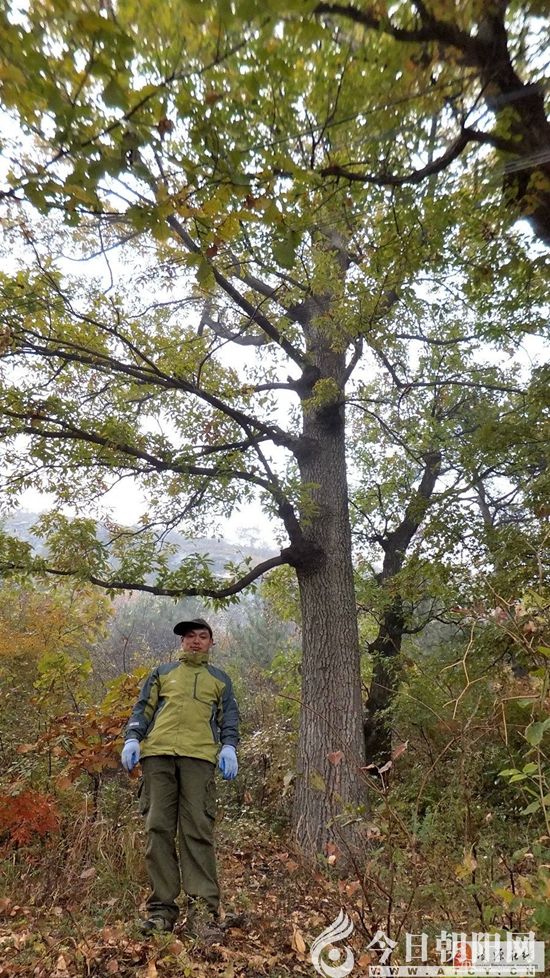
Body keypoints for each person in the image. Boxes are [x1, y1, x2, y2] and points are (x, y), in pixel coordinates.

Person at [121, 617, 239, 941]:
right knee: (157, 828)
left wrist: (229, 746)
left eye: (203, 636)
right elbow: (142, 709)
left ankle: (202, 915)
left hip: (199, 760)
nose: (196, 641)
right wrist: (133, 737)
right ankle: (161, 912)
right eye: (190, 636)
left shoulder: (220, 680)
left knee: (197, 831)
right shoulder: (162, 673)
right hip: (157, 757)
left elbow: (229, 717)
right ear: (182, 642)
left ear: (211, 643)